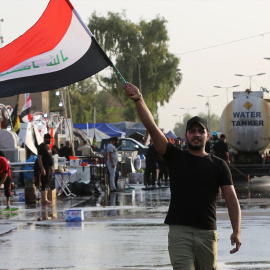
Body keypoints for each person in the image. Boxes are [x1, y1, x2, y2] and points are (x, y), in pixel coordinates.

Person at [124, 82, 241, 269]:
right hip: (180, 233)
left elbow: (232, 200)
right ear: (185, 136)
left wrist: (236, 231)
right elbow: (152, 128)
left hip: (207, 233)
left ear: (207, 136)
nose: (196, 135)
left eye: (200, 132)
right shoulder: (175, 156)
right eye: (192, 131)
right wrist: (139, 99)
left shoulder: (219, 165)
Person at [38, 133, 54, 205]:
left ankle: (46, 198)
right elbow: (39, 158)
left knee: (47, 183)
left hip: (49, 167)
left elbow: (50, 157)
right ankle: (44, 199)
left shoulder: (48, 147)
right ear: (45, 138)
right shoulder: (41, 147)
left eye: (50, 139)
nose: (49, 140)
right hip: (45, 167)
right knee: (44, 183)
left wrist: (52, 167)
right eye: (48, 139)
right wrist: (42, 168)